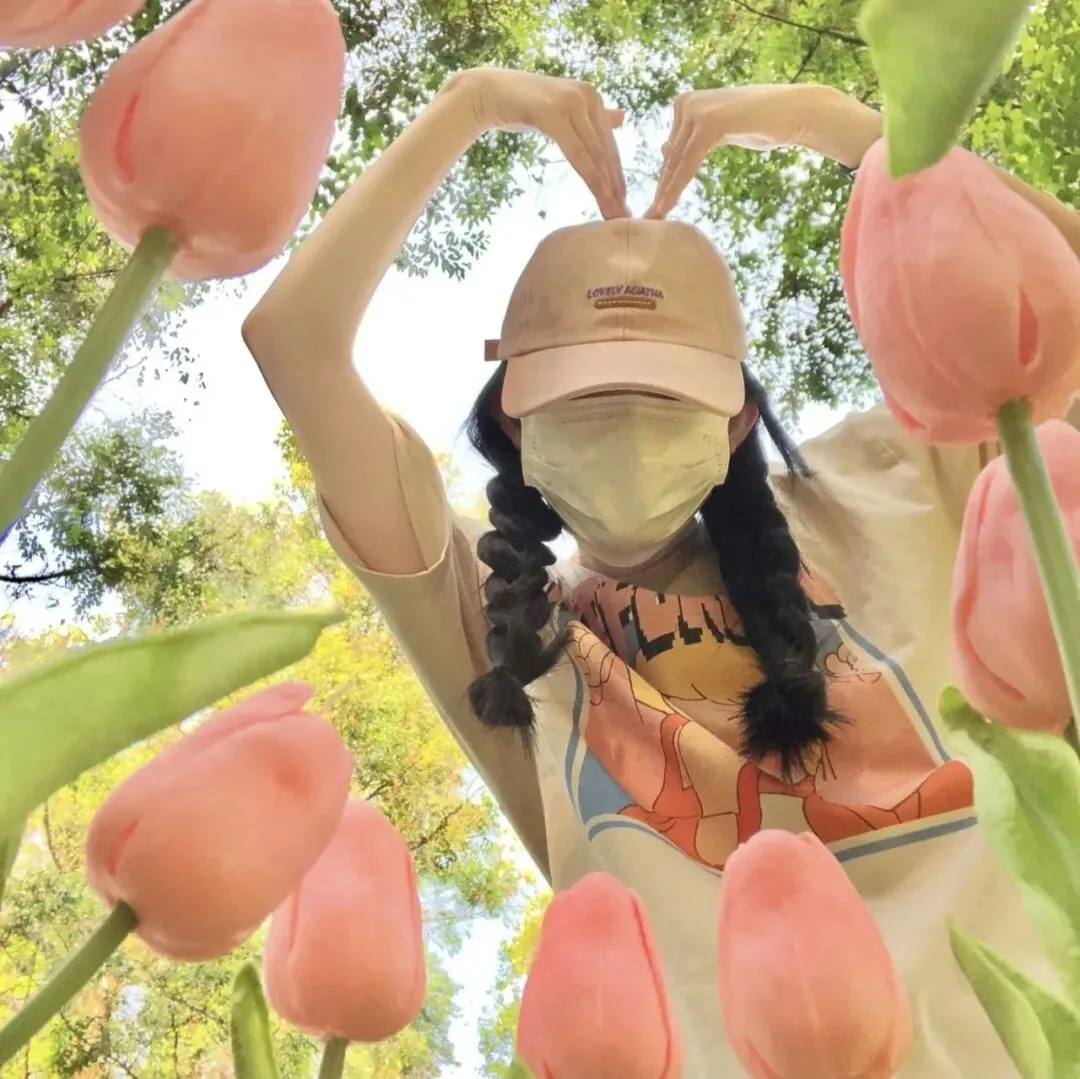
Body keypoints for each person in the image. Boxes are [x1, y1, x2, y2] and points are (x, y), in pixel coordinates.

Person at [242, 69, 1080, 1077]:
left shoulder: (902, 480)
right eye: (586, 403)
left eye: (666, 400)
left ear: (734, 418)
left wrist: (833, 126)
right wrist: (467, 106)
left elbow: (1053, 292)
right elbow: (293, 343)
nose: (630, 437)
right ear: (515, 422)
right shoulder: (511, 637)